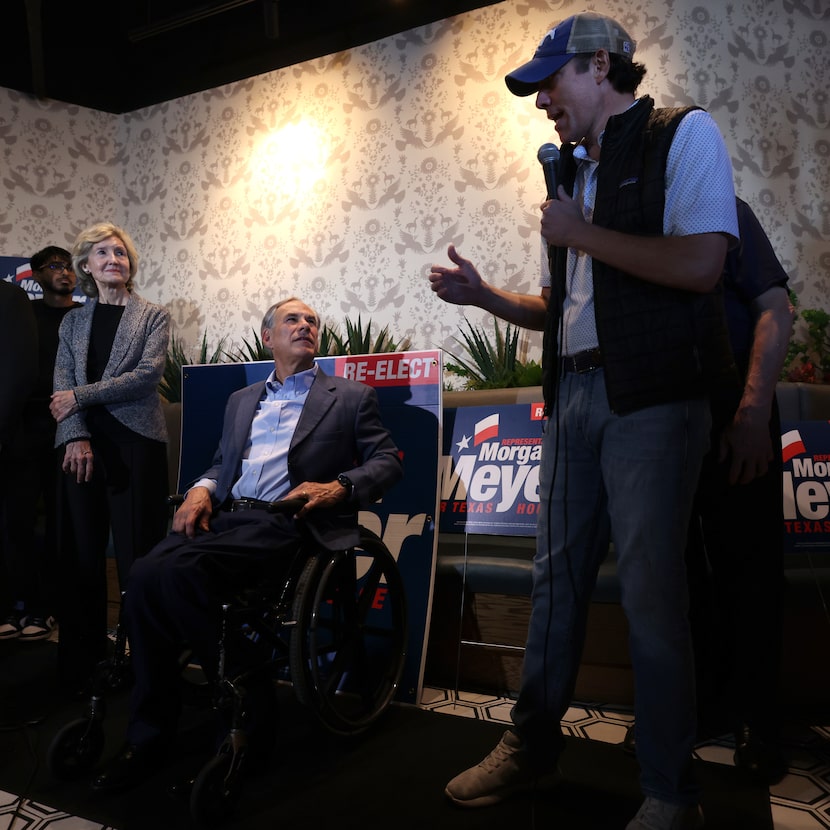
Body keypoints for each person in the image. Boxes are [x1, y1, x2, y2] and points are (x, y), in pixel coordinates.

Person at [428, 12, 739, 830]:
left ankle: (672, 793)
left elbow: (704, 265)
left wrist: (583, 234)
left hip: (656, 403)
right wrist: (487, 298)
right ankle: (531, 751)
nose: (540, 102)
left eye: (550, 82)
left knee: (649, 595)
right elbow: (566, 309)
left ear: (601, 66)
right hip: (573, 402)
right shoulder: (570, 180)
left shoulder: (684, 135)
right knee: (554, 588)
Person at [89, 297, 403, 794]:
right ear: (268, 338)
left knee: (173, 575)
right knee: (145, 574)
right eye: (292, 320)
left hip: (289, 523)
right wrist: (199, 489)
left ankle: (241, 696)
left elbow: (387, 460)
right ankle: (155, 731)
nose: (305, 326)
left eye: (312, 321)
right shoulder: (243, 399)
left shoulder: (349, 396)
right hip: (229, 518)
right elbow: (221, 464)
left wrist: (337, 486)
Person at [685, 197, 792, 783]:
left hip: (734, 410)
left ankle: (759, 721)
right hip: (660, 421)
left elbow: (774, 307)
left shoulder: (722, 207)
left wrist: (752, 412)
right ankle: (704, 706)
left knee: (748, 567)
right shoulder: (621, 216)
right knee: (678, 574)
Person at [51, 223, 170, 696]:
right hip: (81, 448)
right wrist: (75, 434)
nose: (113, 259)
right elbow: (60, 391)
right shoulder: (72, 322)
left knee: (139, 555)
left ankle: (146, 663)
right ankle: (82, 666)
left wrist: (79, 396)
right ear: (86, 265)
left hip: (137, 445)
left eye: (120, 252)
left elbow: (146, 377)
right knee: (81, 556)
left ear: (130, 263)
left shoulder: (152, 316)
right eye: (102, 253)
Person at [0, 248, 81, 642]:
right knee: (17, 520)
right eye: (55, 266)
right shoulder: (23, 313)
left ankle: (45, 608)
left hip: (68, 428)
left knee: (58, 523)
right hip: (24, 428)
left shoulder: (84, 316)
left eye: (69, 266)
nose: (65, 273)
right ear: (35, 274)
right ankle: (18, 603)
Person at [0, 280, 38, 637]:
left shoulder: (10, 297)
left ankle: (19, 606)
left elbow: (17, 373)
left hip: (8, 444)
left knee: (13, 529)